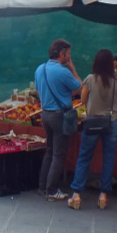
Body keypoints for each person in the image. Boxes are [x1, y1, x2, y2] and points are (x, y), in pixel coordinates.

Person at [68, 49, 117, 211]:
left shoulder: (90, 80)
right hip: (110, 122)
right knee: (108, 158)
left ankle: (76, 194)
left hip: (92, 122)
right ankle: (103, 195)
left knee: (84, 157)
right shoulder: (115, 80)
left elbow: (83, 100)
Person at [35, 38, 82, 201]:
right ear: (62, 54)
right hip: (59, 115)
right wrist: (73, 69)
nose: (69, 57)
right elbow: (80, 88)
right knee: (58, 154)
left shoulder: (40, 69)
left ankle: (42, 187)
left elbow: (37, 91)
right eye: (68, 54)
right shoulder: (63, 71)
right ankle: (52, 190)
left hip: (45, 114)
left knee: (49, 150)